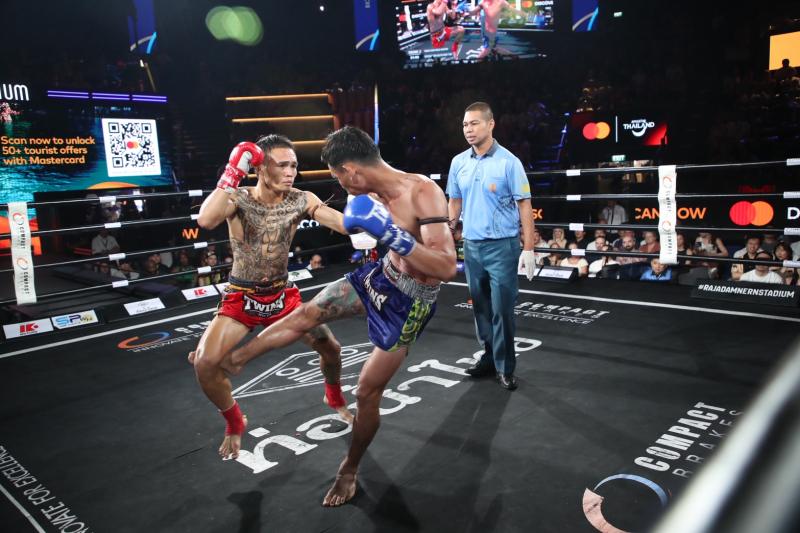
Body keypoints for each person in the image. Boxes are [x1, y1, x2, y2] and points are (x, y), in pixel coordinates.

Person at [223, 125, 456, 507]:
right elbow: (355, 229)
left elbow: (446, 267)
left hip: (409, 302)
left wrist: (393, 235)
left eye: (338, 177)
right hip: (380, 275)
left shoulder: (422, 192)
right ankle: (233, 361)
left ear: (350, 170)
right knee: (306, 314)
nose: (341, 186)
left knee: (366, 392)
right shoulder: (369, 195)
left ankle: (349, 468)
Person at [189, 134, 353, 462]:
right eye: (282, 165)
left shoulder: (300, 199)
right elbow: (206, 220)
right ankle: (235, 421)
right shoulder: (238, 197)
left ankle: (333, 396)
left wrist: (369, 219)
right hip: (242, 296)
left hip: (282, 296)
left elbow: (341, 224)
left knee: (332, 349)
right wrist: (233, 171)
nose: (290, 172)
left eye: (294, 165)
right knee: (205, 364)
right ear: (260, 168)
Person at [447, 101, 536, 391]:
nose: (468, 129)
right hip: (472, 246)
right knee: (481, 308)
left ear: (490, 124)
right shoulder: (458, 162)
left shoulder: (509, 162)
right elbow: (455, 201)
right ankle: (488, 357)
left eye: (474, 123)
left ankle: (505, 367)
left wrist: (529, 248)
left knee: (502, 310)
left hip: (502, 247)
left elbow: (524, 205)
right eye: (464, 124)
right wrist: (448, 233)